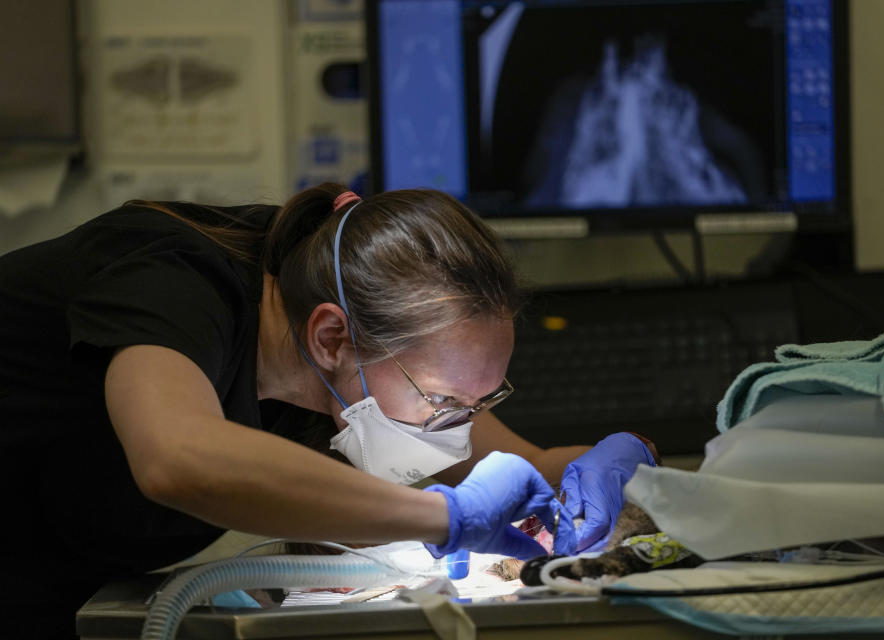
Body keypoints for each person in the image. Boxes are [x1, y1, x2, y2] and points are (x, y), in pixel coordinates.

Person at [0, 184, 657, 637]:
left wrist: (626, 462)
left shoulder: (355, 329)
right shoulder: (172, 283)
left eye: (480, 401)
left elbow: (535, 463)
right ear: (330, 337)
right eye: (442, 400)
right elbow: (176, 458)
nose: (458, 424)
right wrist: (442, 518)